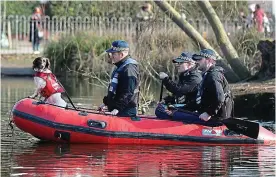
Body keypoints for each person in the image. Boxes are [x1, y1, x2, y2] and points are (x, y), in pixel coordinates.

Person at [98, 40, 140, 117]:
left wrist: (117, 109)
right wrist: (105, 103)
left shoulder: (129, 68)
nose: (111, 56)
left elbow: (128, 92)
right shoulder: (120, 67)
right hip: (118, 110)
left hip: (125, 111)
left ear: (121, 54)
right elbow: (115, 90)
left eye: (114, 53)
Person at [155, 52, 202, 119]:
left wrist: (166, 79)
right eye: (177, 63)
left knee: (159, 111)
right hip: (186, 106)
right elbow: (181, 95)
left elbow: (179, 90)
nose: (177, 65)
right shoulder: (184, 75)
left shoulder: (195, 77)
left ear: (189, 64)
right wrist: (167, 100)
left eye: (180, 63)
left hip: (193, 110)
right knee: (161, 107)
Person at [192, 49, 234, 122]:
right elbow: (199, 100)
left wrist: (208, 113)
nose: (197, 62)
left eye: (200, 59)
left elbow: (220, 98)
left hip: (219, 120)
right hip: (209, 117)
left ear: (209, 60)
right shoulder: (207, 75)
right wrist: (179, 109)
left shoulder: (214, 76)